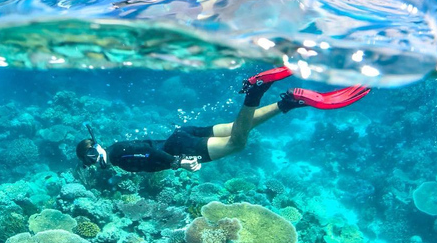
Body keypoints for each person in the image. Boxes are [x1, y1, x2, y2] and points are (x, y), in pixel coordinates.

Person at [76, 66, 370, 173]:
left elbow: (147, 152)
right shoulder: (113, 149)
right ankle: (287, 103)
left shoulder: (116, 155)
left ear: (93, 153)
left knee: (236, 143)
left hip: (180, 147)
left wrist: (176, 162)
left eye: (90, 163)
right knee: (238, 126)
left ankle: (255, 91)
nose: (94, 167)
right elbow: (148, 147)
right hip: (180, 135)